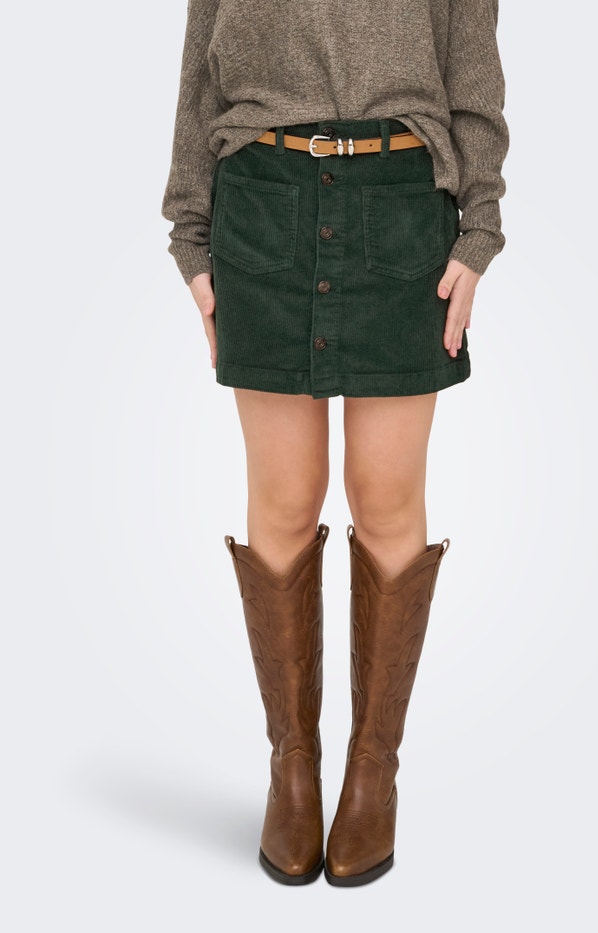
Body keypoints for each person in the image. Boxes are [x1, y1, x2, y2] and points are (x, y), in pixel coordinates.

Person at [161, 0, 508, 887]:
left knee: (385, 495)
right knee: (284, 496)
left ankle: (372, 771)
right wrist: (190, 232)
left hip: (402, 202)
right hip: (260, 201)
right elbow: (201, 63)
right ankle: (292, 765)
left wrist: (479, 226)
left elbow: (471, 63)